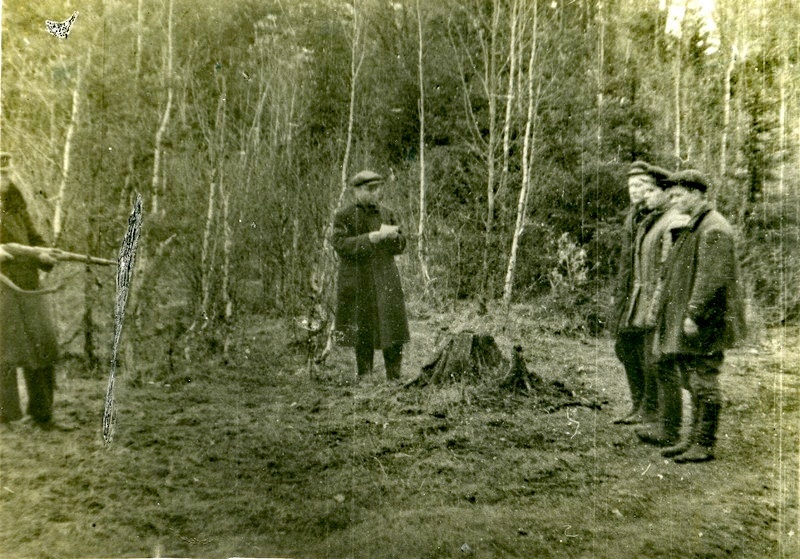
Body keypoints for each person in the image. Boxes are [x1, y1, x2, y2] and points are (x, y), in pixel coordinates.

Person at [647, 169, 746, 462]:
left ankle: (704, 442)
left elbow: (711, 279)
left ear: (697, 194)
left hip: (708, 321)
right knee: (694, 378)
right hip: (700, 318)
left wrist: (694, 314)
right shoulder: (699, 224)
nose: (674, 201)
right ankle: (693, 440)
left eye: (679, 195)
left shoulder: (713, 227)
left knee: (704, 380)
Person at [0, 152, 60, 427]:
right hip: (3, 288)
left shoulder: (15, 204)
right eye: (2, 174)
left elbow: (33, 238)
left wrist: (45, 255)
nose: (7, 178)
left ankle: (43, 415)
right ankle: (6, 417)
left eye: (8, 172)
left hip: (28, 285)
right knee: (4, 355)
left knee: (43, 345)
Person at [332, 170, 410, 381]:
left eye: (378, 189)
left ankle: (395, 377)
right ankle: (364, 376)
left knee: (392, 329)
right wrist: (369, 239)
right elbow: (339, 244)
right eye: (370, 189)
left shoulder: (387, 213)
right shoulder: (344, 215)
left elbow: (402, 245)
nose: (376, 193)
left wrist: (395, 238)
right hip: (359, 280)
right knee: (362, 329)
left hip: (386, 279)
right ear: (356, 191)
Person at [610, 160, 669, 425]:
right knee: (625, 347)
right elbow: (626, 262)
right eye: (631, 186)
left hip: (647, 296)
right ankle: (638, 405)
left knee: (648, 354)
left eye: (641, 185)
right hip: (630, 295)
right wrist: (618, 293)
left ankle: (650, 407)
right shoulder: (632, 217)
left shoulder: (654, 216)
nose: (635, 191)